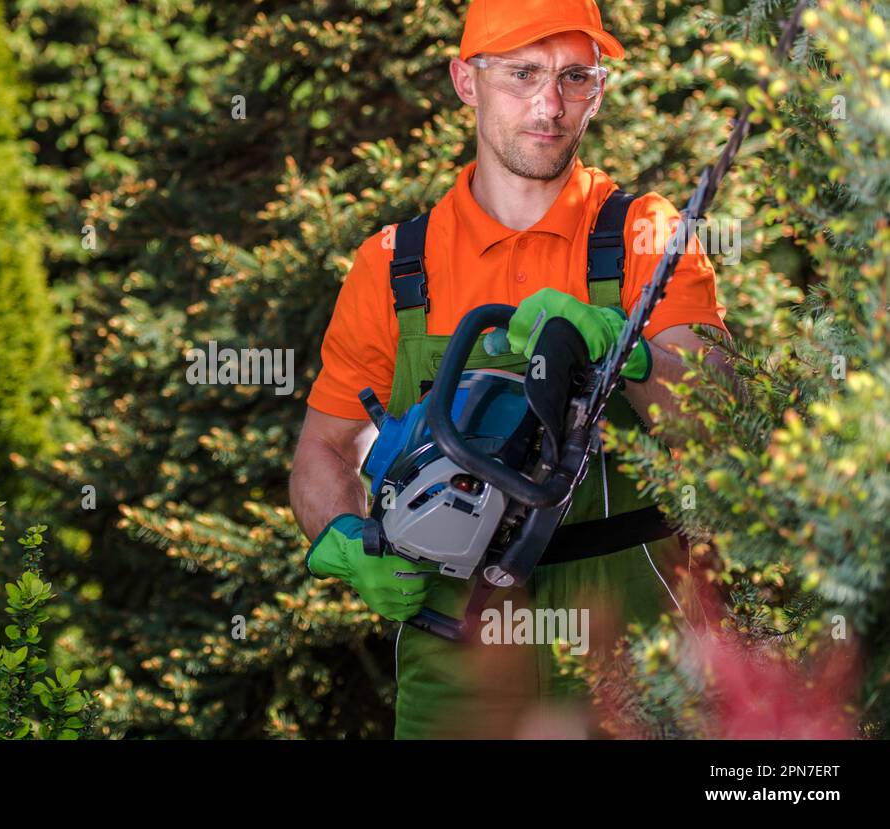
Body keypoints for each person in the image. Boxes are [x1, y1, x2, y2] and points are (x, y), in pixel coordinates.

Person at [288, 0, 733, 739]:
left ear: (599, 90)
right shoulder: (397, 267)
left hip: (631, 638)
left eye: (575, 77)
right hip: (455, 646)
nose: (549, 105)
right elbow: (324, 449)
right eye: (522, 74)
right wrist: (342, 532)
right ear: (466, 81)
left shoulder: (645, 235)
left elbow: (717, 418)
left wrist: (628, 348)